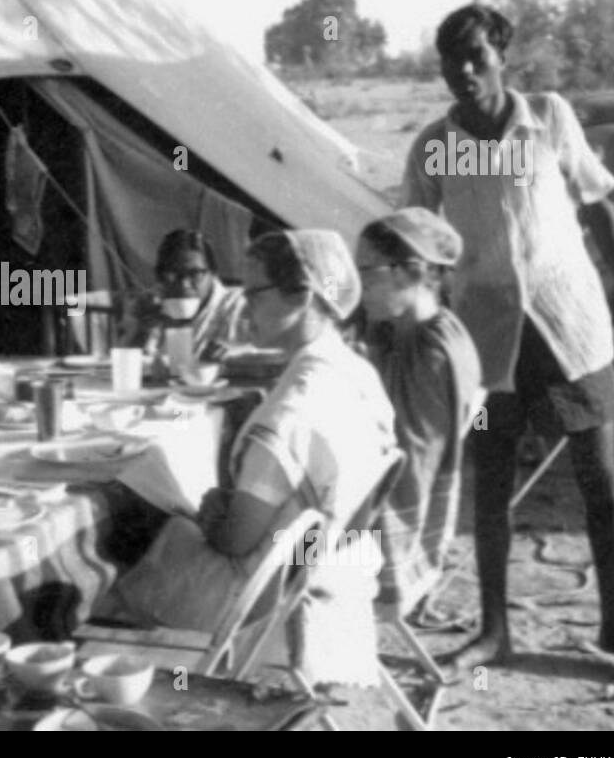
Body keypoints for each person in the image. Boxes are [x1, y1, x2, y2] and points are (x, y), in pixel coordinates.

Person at [403, 4, 614, 676]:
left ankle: (612, 625)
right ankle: (495, 631)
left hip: (571, 324)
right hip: (486, 336)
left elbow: (598, 206)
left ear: (503, 56)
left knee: (600, 482)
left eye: (477, 56)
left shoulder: (548, 116)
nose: (462, 72)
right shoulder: (435, 142)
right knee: (490, 486)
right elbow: (415, 238)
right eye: (449, 59)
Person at [109, 230, 398, 684]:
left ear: (303, 295)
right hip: (335, 569)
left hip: (265, 601)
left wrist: (213, 515)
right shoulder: (356, 371)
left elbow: (235, 542)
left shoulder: (293, 408)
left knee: (126, 554)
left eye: (255, 293)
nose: (244, 307)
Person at [357, 208, 482, 613]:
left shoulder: (433, 352)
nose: (360, 288)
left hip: (393, 530)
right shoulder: (404, 330)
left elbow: (412, 462)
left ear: (410, 272)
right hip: (390, 504)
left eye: (367, 272)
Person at [118, 229, 250, 364]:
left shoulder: (239, 306)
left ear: (213, 273)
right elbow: (126, 367)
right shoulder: (152, 305)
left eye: (195, 274)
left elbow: (264, 353)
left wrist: (235, 355)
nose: (184, 284)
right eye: (173, 274)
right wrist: (139, 330)